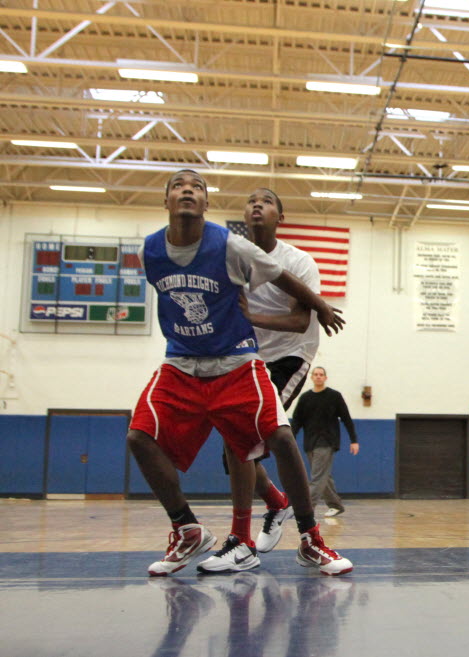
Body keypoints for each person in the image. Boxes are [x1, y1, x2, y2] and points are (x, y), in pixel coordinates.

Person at [127, 169, 352, 577]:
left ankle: (286, 536)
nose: (256, 206)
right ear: (166, 200)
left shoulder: (249, 250)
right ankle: (207, 524)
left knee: (260, 441)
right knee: (144, 437)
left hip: (279, 355)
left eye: (196, 186)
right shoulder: (152, 251)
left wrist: (319, 306)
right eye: (178, 185)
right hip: (190, 360)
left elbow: (297, 315)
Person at [197, 187, 323, 573]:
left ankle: (257, 536)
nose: (257, 204)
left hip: (289, 355)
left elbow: (300, 321)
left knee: (252, 439)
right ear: (243, 214)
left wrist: (251, 317)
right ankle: (275, 503)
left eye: (267, 201)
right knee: (232, 450)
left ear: (279, 217)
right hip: (245, 357)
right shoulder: (232, 258)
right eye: (251, 199)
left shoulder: (299, 261)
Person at [290, 366, 360, 516]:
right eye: (315, 374)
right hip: (310, 443)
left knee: (317, 476)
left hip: (327, 442)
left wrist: (354, 440)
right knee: (323, 476)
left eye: (321, 374)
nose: (318, 376)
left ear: (325, 378)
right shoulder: (305, 398)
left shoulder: (334, 396)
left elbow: (346, 418)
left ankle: (307, 509)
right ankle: (336, 505)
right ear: (311, 377)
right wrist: (290, 439)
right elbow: (296, 421)